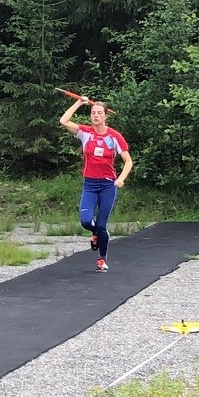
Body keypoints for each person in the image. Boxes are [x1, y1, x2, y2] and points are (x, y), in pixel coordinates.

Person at [59, 95, 132, 272]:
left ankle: (101, 259)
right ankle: (95, 234)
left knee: (101, 224)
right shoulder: (85, 132)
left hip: (108, 186)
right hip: (90, 185)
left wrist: (121, 178)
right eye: (93, 113)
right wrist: (79, 102)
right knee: (85, 221)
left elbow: (128, 161)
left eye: (99, 113)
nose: (96, 116)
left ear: (105, 116)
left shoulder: (115, 136)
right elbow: (64, 120)